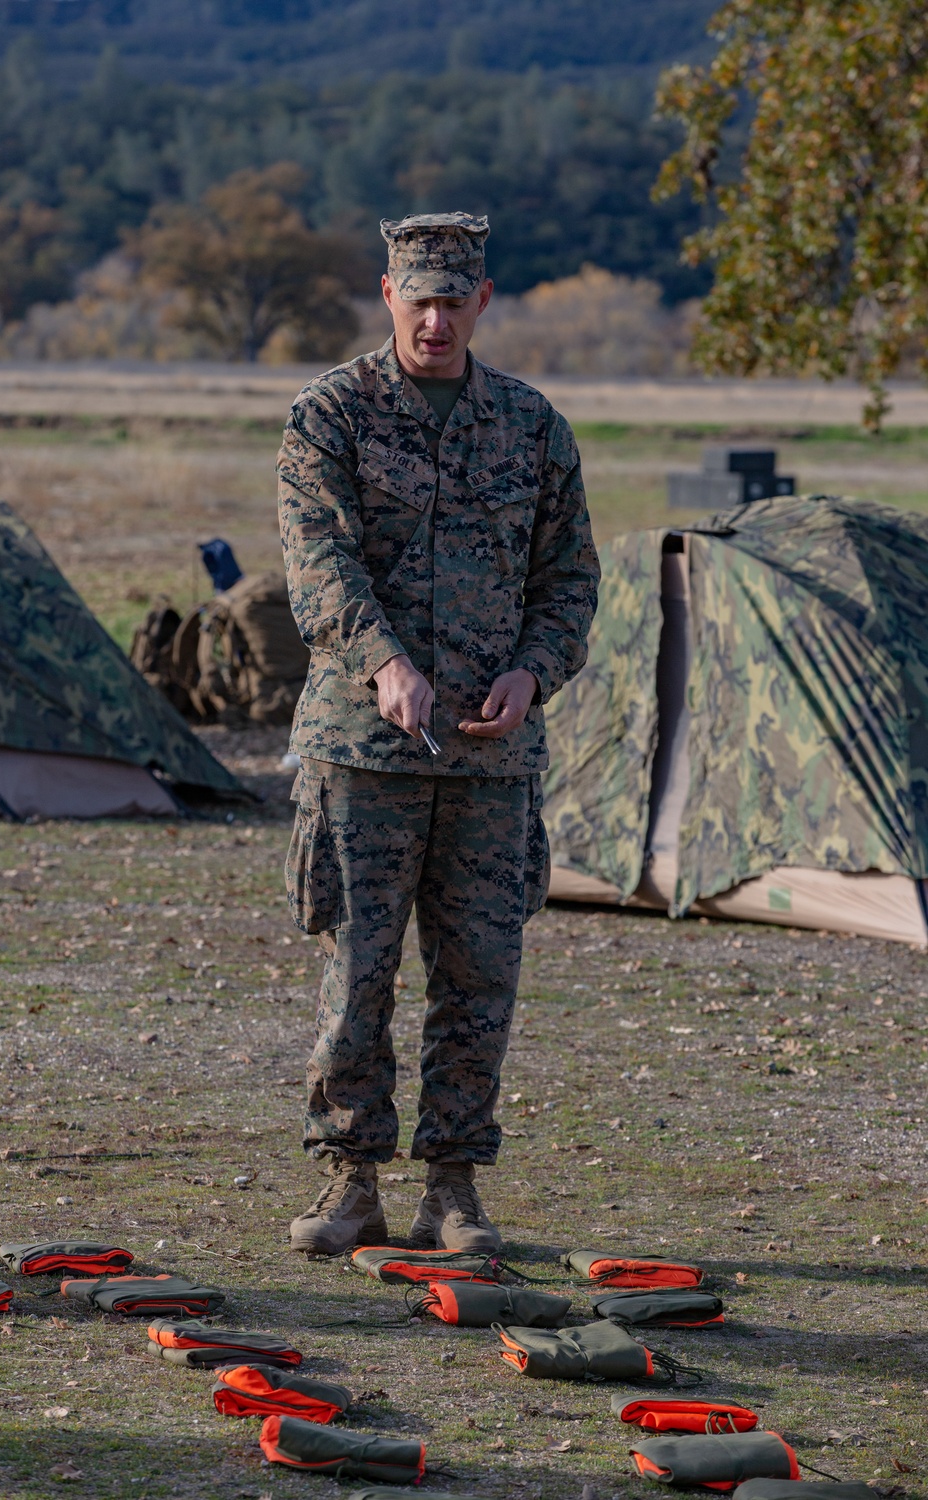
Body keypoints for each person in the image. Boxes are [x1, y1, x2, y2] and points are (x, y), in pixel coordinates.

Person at [277, 211, 599, 1255]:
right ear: (386, 295)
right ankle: (348, 1182)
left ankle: (453, 1189)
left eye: (452, 300)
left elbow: (569, 583)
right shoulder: (330, 415)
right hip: (361, 754)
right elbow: (318, 567)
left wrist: (531, 671)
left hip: (490, 760)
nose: (433, 318)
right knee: (358, 970)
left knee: (477, 978)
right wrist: (385, 663)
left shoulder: (530, 425)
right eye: (417, 298)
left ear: (482, 302)